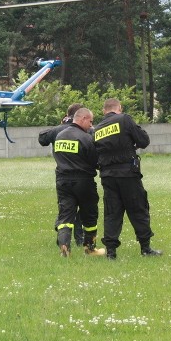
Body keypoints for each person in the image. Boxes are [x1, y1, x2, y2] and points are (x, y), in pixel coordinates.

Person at [93, 98, 162, 259]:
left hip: (107, 176)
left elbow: (96, 153)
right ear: (119, 108)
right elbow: (143, 141)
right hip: (127, 174)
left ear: (104, 111)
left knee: (112, 212)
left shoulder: (97, 128)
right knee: (138, 209)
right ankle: (146, 248)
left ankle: (111, 252)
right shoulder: (124, 119)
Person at [51, 107, 103, 257]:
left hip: (62, 181)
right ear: (82, 119)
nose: (91, 126)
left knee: (65, 216)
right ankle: (90, 248)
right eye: (90, 122)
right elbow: (95, 160)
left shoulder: (59, 136)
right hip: (83, 181)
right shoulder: (86, 138)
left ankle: (64, 246)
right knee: (90, 215)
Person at [39, 103, 85, 246]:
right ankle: (80, 239)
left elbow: (42, 139)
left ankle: (62, 239)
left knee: (65, 208)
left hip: (62, 175)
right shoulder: (85, 131)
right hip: (83, 176)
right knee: (82, 209)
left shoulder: (58, 130)